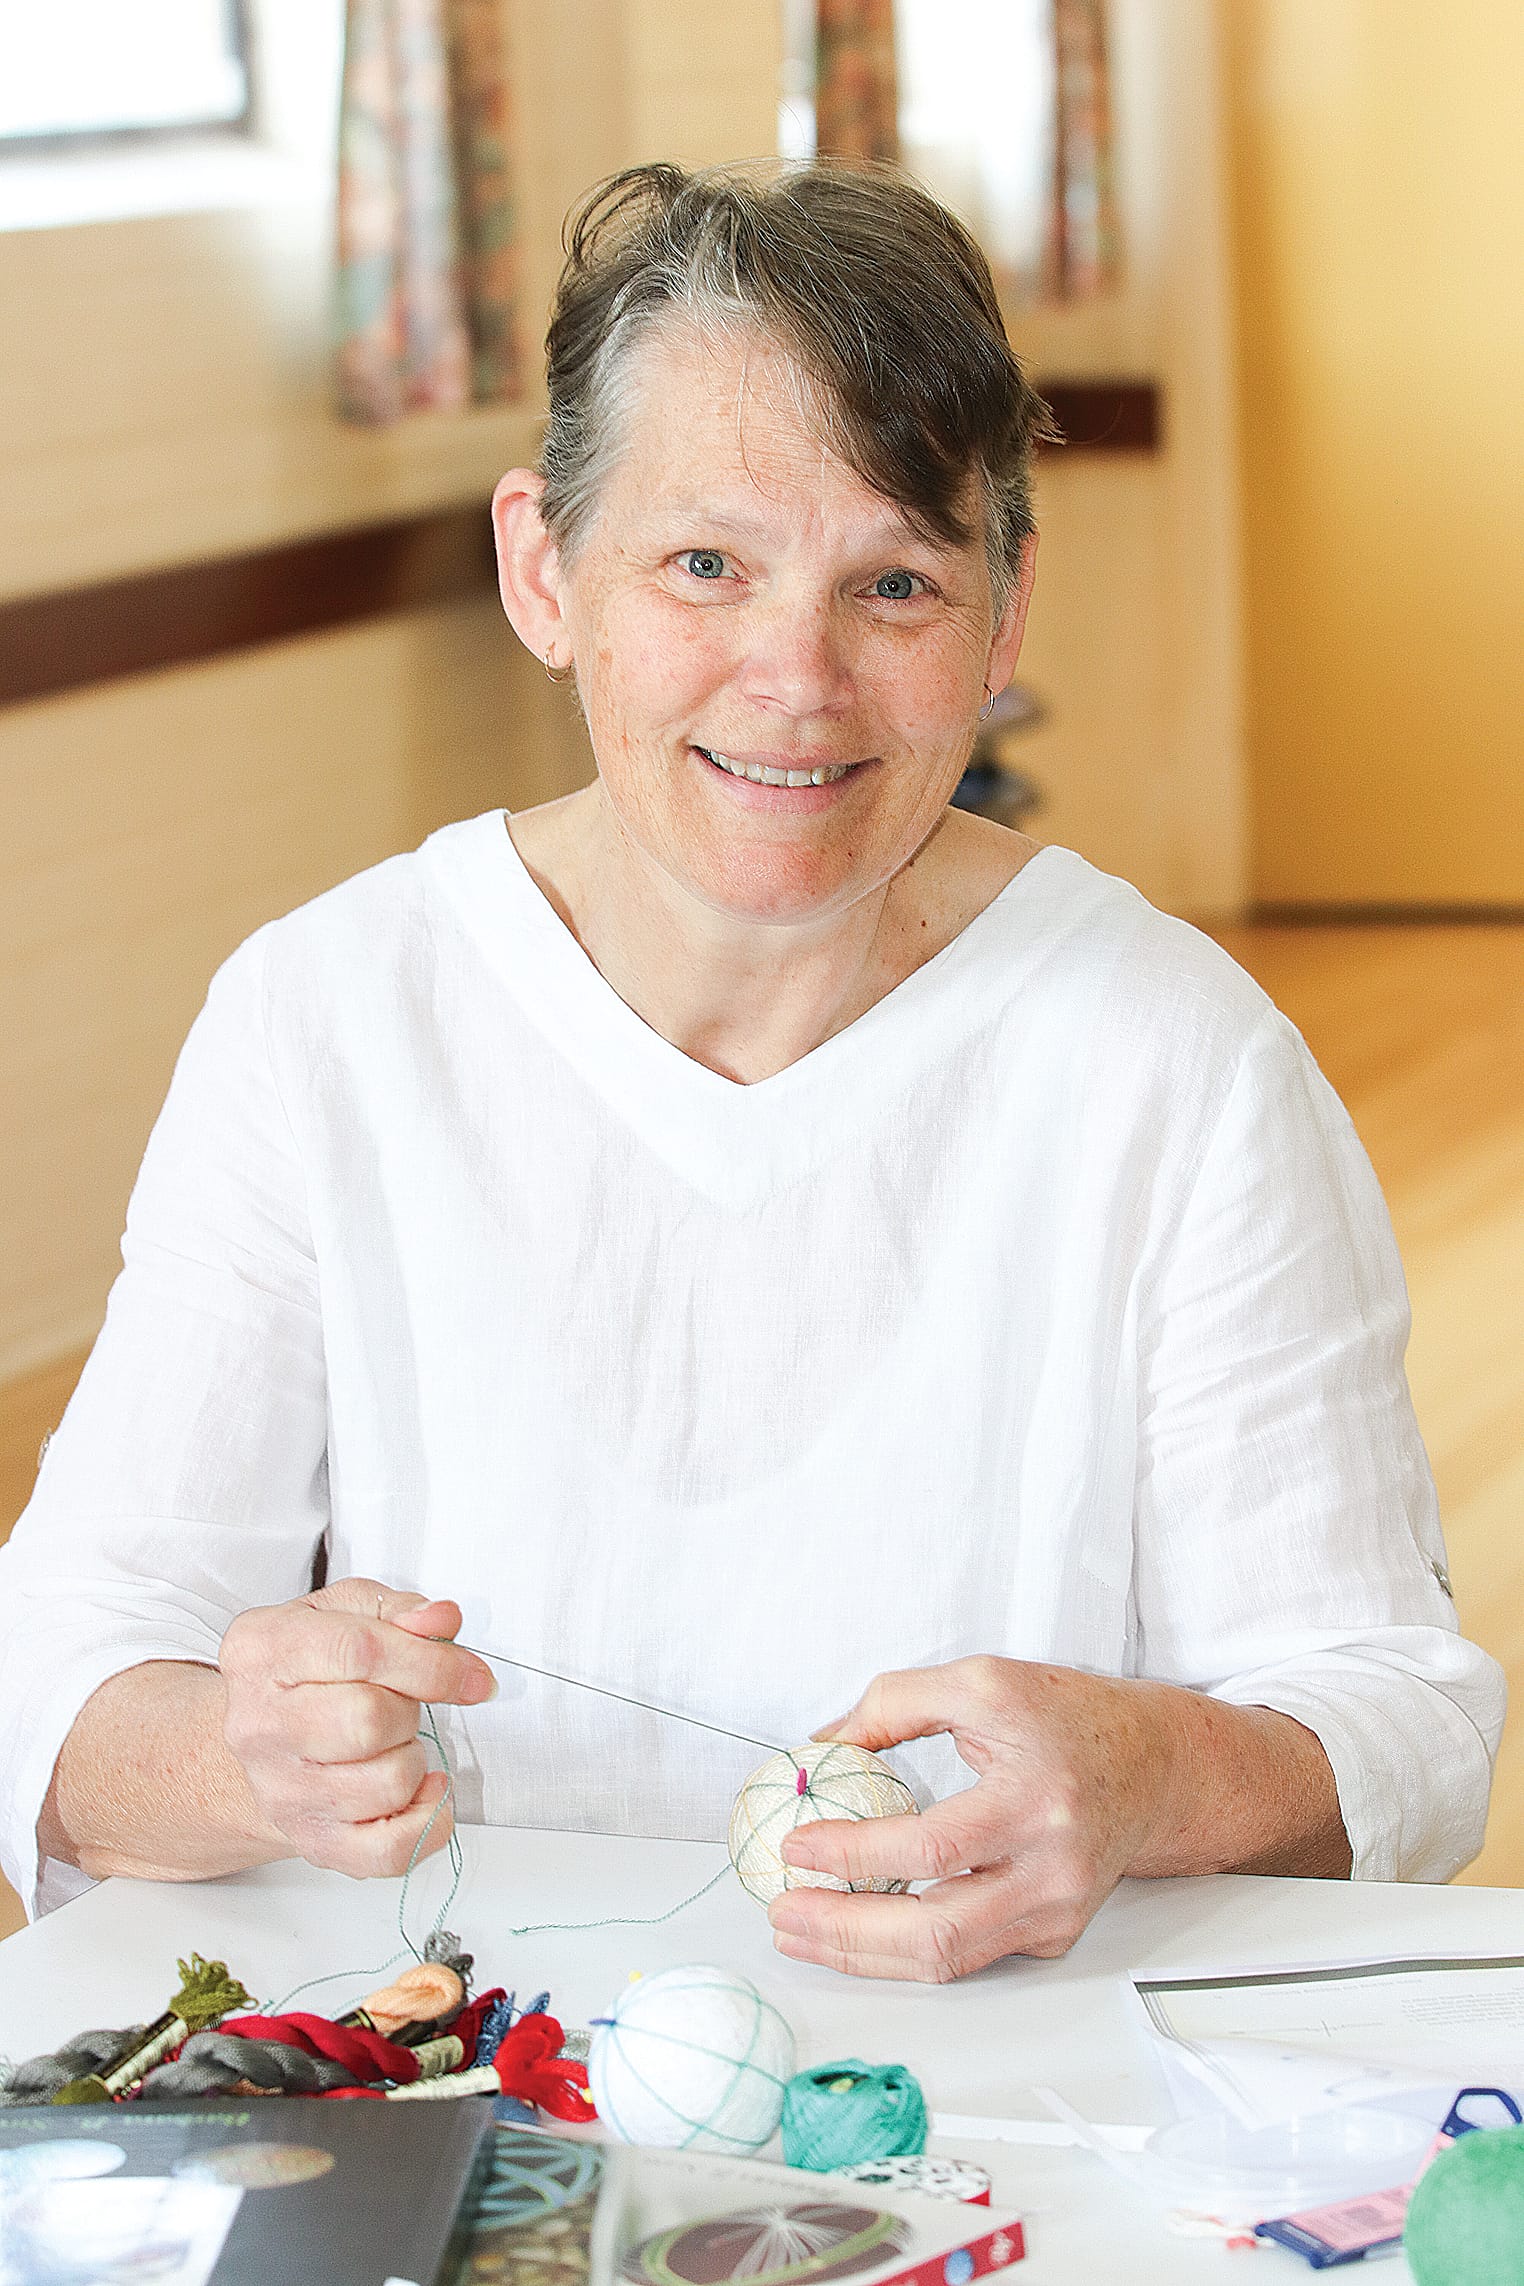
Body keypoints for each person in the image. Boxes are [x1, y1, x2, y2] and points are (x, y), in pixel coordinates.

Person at [0, 163, 1501, 1983]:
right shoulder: (326, 1015)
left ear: (1006, 619)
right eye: (704, 563)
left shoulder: (1177, 1061)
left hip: (1013, 2085)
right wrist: (241, 1751)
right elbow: (58, 1688)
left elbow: (1402, 1726)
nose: (797, 676)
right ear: (544, 570)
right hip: (439, 2064)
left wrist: (1160, 1768)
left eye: (895, 581)